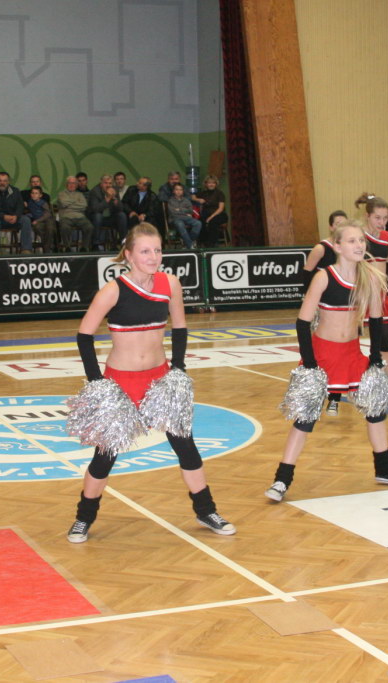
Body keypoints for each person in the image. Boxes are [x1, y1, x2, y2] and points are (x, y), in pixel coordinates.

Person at [67, 222, 235, 542]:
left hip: (160, 379)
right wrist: (96, 382)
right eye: (145, 251)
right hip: (120, 383)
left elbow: (180, 327)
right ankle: (83, 518)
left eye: (157, 250)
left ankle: (206, 510)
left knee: (185, 446)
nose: (153, 257)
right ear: (129, 255)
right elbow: (84, 335)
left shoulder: (170, 283)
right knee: (105, 455)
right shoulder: (113, 290)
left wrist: (178, 368)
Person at [264, 221, 388, 503]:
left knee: (375, 410)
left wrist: (374, 358)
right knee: (305, 419)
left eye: (361, 240)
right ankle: (282, 479)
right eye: (351, 241)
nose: (359, 245)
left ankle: (385, 468)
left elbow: (376, 320)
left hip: (352, 354)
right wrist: (310, 362)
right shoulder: (324, 277)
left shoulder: (369, 277)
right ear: (337, 246)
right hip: (322, 356)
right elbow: (302, 322)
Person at [358, 194, 388, 411]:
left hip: (381, 296)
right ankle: (345, 386)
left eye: (385, 218)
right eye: (377, 217)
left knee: (385, 342)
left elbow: (385, 262)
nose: (382, 222)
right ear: (367, 216)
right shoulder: (358, 237)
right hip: (360, 296)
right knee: (350, 342)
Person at [303, 210, 346, 416]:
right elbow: (306, 273)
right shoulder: (321, 248)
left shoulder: (347, 250)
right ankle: (317, 391)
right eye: (337, 223)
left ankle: (335, 398)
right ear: (330, 226)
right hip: (322, 306)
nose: (340, 226)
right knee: (322, 350)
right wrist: (310, 301)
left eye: (344, 223)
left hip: (342, 308)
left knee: (342, 352)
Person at [0, 171, 33, 254]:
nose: (2, 183)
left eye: (5, 181)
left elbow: (20, 206)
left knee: (26, 219)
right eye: (0, 180)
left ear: (8, 182)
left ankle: (26, 249)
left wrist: (16, 216)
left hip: (13, 218)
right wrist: (3, 216)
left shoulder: (16, 191)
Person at [88, 174, 127, 248]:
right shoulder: (95, 191)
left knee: (122, 215)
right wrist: (108, 199)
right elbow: (95, 209)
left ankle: (124, 242)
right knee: (98, 216)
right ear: (101, 183)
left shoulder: (114, 189)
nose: (108, 185)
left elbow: (121, 208)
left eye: (110, 183)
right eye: (106, 183)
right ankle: (95, 244)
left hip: (110, 217)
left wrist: (115, 200)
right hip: (97, 219)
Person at [56, 176, 95, 251]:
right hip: (66, 217)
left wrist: (69, 205)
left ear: (76, 185)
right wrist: (76, 202)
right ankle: (67, 247)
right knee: (64, 228)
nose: (72, 185)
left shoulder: (80, 194)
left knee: (89, 227)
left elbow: (84, 205)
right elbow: (63, 203)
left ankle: (84, 247)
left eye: (74, 183)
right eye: (70, 183)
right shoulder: (61, 194)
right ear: (66, 184)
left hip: (80, 217)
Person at [192, 175, 227, 248]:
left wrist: (211, 217)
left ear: (216, 184)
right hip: (206, 214)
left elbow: (220, 208)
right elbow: (192, 196)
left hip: (219, 214)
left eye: (213, 183)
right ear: (206, 184)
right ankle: (203, 242)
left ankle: (212, 244)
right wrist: (198, 199)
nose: (211, 184)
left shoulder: (219, 193)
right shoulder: (203, 193)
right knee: (200, 222)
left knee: (213, 221)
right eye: (209, 183)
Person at [166, 183, 201, 249]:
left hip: (186, 218)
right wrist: (185, 211)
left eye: (180, 190)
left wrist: (179, 209)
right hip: (175, 219)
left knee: (198, 223)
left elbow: (191, 211)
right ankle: (190, 245)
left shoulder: (186, 200)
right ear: (173, 191)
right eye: (177, 189)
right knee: (180, 224)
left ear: (183, 191)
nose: (179, 191)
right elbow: (173, 212)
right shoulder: (170, 201)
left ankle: (187, 242)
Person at [25, 185, 56, 253]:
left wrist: (37, 220)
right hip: (39, 222)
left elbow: (47, 214)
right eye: (32, 193)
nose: (34, 195)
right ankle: (48, 245)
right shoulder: (30, 202)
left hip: (47, 219)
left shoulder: (43, 203)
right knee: (37, 227)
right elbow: (32, 212)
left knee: (50, 229)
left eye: (36, 193)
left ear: (40, 195)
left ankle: (47, 248)